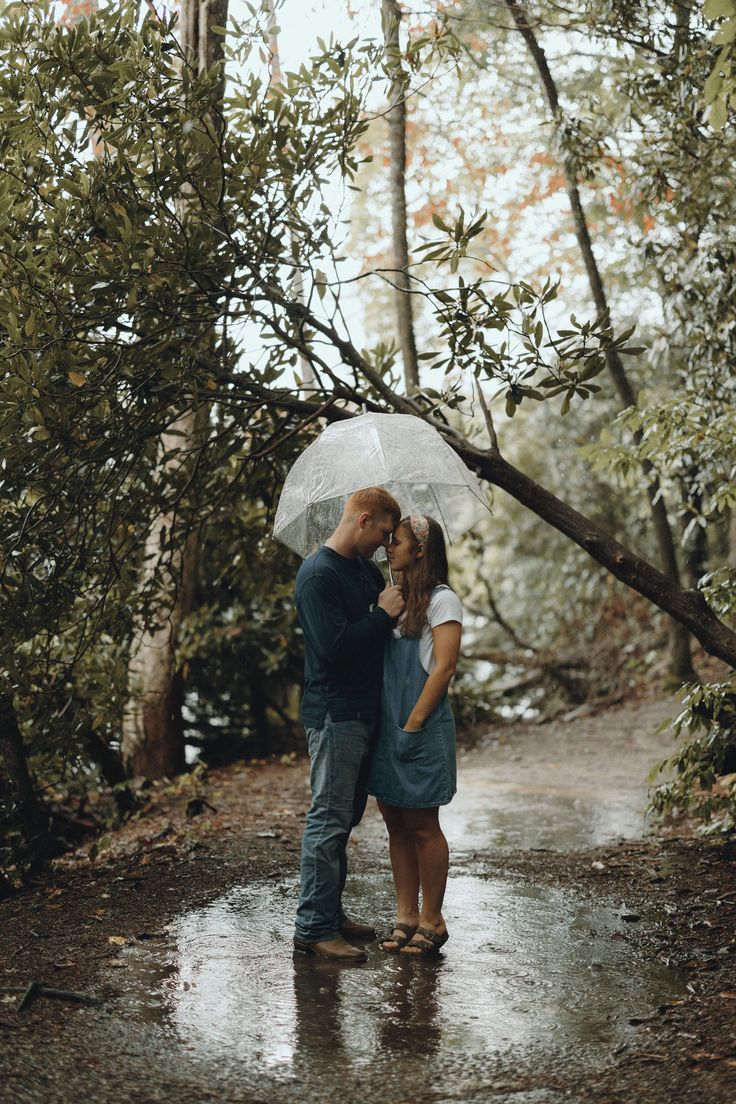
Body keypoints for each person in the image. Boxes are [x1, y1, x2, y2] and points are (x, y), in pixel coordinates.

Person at [293, 486, 404, 962]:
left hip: (364, 711)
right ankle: (313, 928)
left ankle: (330, 912)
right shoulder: (317, 575)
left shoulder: (364, 569)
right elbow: (333, 648)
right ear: (362, 519)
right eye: (383, 530)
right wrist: (381, 615)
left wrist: (391, 613)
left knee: (344, 821)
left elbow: (375, 636)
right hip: (335, 713)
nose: (385, 542)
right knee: (328, 819)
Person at [366, 514, 463, 956]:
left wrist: (413, 723)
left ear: (421, 549)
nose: (389, 546)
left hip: (418, 726)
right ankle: (405, 916)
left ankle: (433, 920)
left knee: (423, 825)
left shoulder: (443, 601)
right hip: (387, 724)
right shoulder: (392, 599)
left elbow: (443, 668)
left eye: (398, 541)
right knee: (395, 823)